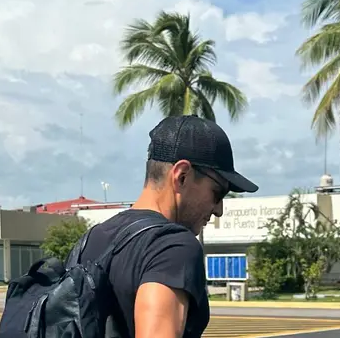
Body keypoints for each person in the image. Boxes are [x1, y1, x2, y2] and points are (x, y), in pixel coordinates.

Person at [75, 115, 258, 338]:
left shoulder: (89, 242)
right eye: (218, 193)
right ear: (182, 176)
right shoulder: (174, 248)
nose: (219, 209)